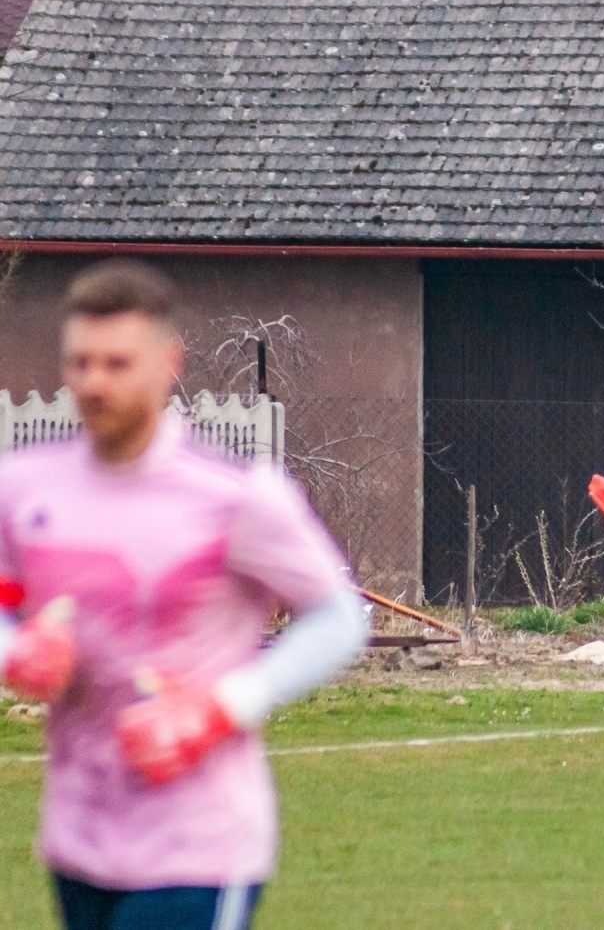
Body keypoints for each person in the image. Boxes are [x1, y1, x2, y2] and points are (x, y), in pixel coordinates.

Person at [0, 261, 369, 929]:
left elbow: (340, 615)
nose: (94, 381)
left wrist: (221, 708)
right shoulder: (24, 488)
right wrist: (15, 650)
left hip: (199, 842)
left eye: (117, 362)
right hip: (80, 833)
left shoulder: (233, 496)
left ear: (169, 362)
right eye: (80, 362)